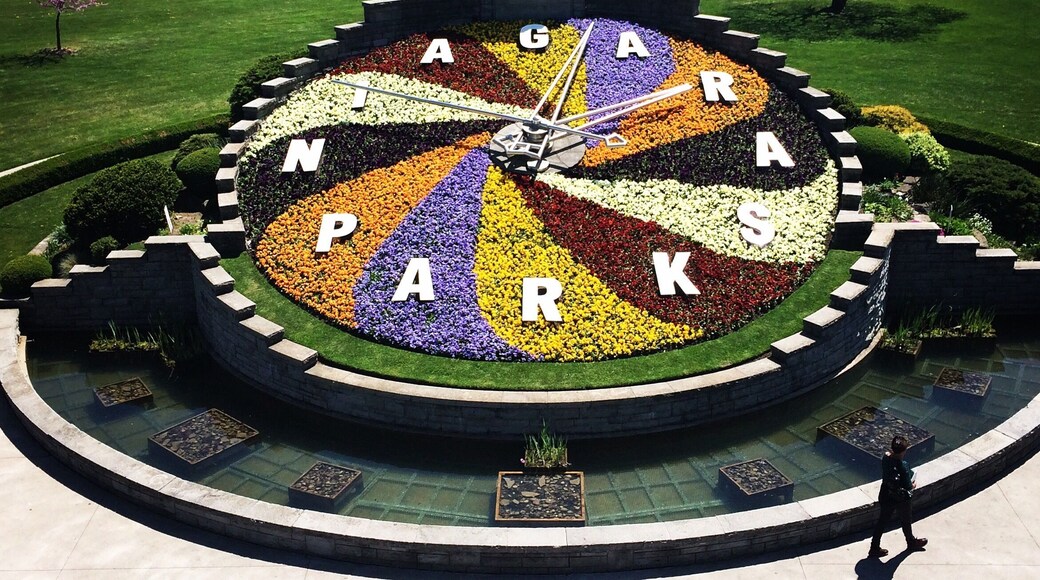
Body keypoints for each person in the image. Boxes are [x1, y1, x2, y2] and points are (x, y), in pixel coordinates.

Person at [868, 435, 929, 557]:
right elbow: (909, 486)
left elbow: (887, 454)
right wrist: (913, 485)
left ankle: (874, 547)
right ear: (904, 451)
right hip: (901, 499)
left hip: (886, 495)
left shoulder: (885, 459)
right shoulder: (903, 466)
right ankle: (911, 542)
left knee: (882, 521)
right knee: (906, 520)